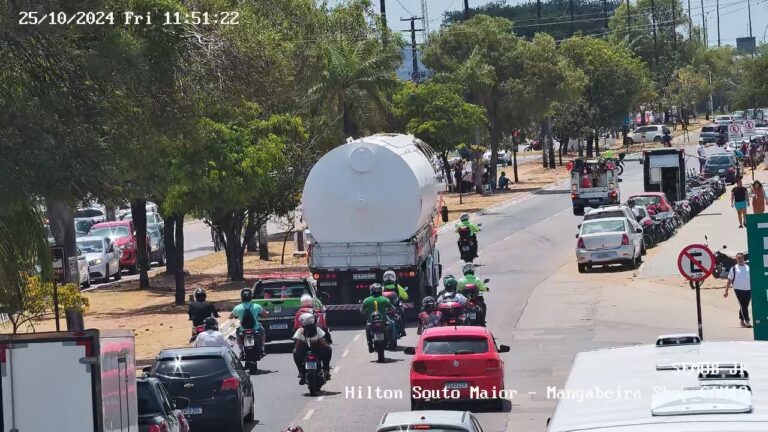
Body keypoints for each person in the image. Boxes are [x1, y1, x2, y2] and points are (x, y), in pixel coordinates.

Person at [292, 313, 332, 384]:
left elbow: (297, 344)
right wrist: (327, 347)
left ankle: (301, 372)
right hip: (317, 352)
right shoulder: (317, 329)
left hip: (304, 353)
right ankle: (326, 370)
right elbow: (322, 342)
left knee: (295, 352)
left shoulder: (300, 330)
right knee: (329, 350)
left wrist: (296, 349)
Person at [361, 283, 397, 350]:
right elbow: (393, 309)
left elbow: (362, 311)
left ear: (371, 290)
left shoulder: (366, 300)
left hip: (371, 321)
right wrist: (393, 312)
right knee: (392, 324)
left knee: (367, 328)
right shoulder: (386, 300)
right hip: (384, 320)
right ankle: (392, 342)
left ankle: (370, 344)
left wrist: (366, 311)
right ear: (380, 290)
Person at [724, 253, 752, 328]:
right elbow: (729, 280)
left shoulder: (748, 267)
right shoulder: (733, 268)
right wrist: (726, 291)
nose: (740, 259)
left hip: (748, 289)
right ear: (736, 259)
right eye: (738, 258)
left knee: (744, 305)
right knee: (743, 305)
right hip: (738, 289)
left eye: (741, 258)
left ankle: (741, 320)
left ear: (743, 258)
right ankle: (747, 321)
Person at [382, 270, 408, 337]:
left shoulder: (381, 288)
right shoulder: (398, 287)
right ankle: (402, 330)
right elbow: (405, 297)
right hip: (395, 307)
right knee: (401, 315)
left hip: (384, 308)